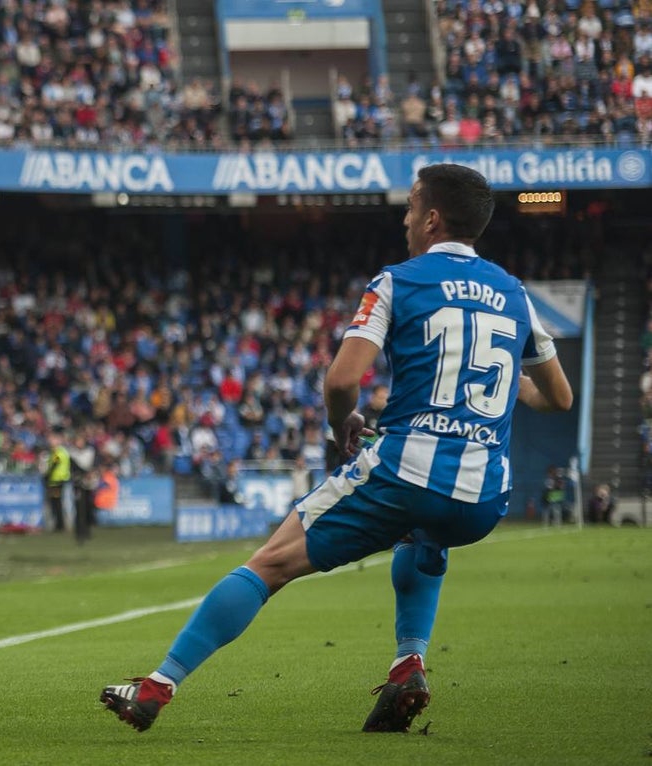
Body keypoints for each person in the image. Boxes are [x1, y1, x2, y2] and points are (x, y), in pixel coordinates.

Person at [100, 164, 573, 734]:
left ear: (430, 218)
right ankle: (408, 665)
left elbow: (342, 381)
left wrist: (341, 422)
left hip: (407, 468)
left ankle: (156, 687)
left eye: (409, 207)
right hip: (483, 497)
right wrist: (492, 394)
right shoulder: (513, 292)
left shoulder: (398, 280)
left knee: (271, 563)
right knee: (425, 533)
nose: (403, 219)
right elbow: (559, 398)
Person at [43, 429, 71, 532]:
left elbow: (55, 464)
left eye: (52, 439)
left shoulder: (59, 452)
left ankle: (60, 525)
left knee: (57, 502)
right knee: (55, 502)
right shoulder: (56, 452)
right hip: (54, 481)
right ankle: (59, 524)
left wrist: (47, 475)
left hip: (57, 481)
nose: (50, 441)